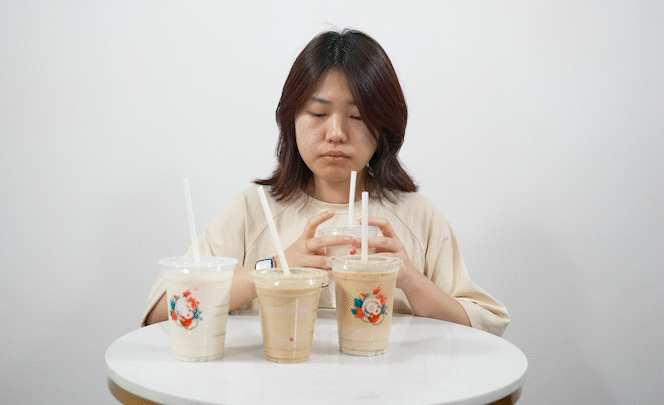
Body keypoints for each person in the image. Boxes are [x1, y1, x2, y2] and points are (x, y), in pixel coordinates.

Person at [143, 29, 509, 336]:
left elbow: (485, 327)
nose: (336, 133)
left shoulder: (417, 216)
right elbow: (160, 313)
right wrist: (274, 266)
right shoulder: (254, 209)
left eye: (358, 117)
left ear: (384, 128)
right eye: (318, 113)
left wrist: (410, 280)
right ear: (291, 120)